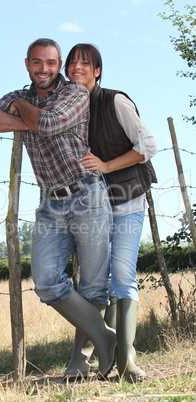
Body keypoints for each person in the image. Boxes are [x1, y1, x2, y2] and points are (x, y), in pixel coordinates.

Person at [0, 38, 116, 379]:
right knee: (47, 282)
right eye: (37, 63)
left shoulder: (74, 93)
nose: (44, 69)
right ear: (27, 64)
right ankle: (104, 337)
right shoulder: (21, 94)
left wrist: (23, 111)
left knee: (93, 287)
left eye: (51, 63)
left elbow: (51, 124)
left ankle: (79, 362)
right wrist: (32, 119)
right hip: (50, 202)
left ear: (58, 66)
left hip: (87, 194)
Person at [64, 43, 157, 382]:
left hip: (128, 198)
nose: (77, 67)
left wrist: (105, 165)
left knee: (121, 274)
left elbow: (147, 146)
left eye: (85, 63)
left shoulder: (115, 100)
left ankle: (126, 360)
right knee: (92, 278)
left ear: (97, 70)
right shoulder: (67, 110)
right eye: (72, 62)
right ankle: (82, 358)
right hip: (92, 206)